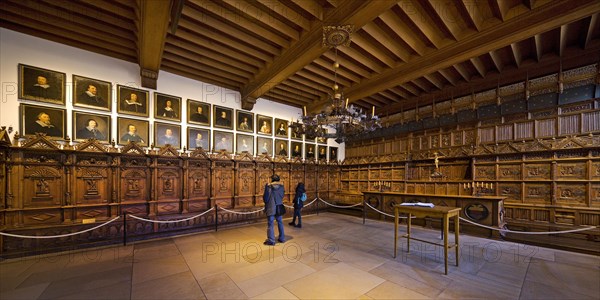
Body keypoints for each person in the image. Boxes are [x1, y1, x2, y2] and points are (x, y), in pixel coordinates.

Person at [263, 174, 285, 245]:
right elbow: (282, 196)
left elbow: (266, 198)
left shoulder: (269, 186)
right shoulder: (282, 187)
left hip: (271, 207)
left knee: (270, 224)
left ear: (272, 179)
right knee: (280, 222)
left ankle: (271, 240)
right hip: (279, 206)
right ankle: (282, 238)